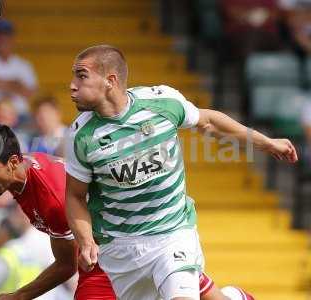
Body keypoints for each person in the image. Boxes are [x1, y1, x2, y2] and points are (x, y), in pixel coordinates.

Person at [65, 45, 297, 300]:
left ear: (111, 80)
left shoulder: (162, 102)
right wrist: (86, 241)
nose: (72, 85)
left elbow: (208, 121)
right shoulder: (81, 136)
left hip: (173, 232)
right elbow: (75, 196)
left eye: (82, 75)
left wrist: (267, 142)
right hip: (121, 249)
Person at [0, 124, 254, 300]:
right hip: (120, 242)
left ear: (14, 161)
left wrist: (20, 295)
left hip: (116, 252)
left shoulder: (51, 197)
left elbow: (67, 264)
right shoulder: (25, 172)